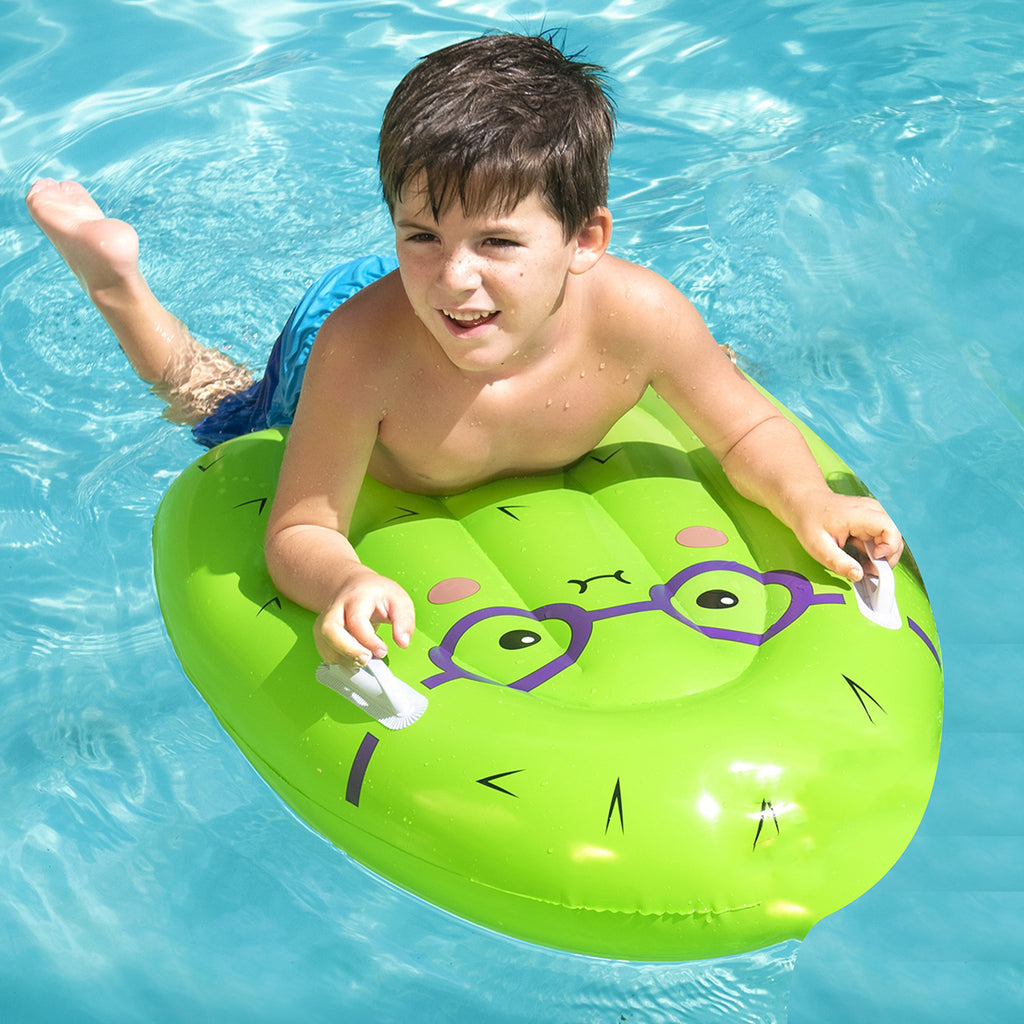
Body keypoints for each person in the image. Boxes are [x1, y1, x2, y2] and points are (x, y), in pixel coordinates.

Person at [26, 32, 903, 672]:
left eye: (498, 240)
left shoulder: (639, 314)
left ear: (586, 237)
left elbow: (747, 430)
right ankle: (117, 284)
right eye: (420, 232)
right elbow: (299, 525)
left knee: (719, 364)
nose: (455, 278)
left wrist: (806, 498)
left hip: (510, 313)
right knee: (222, 412)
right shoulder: (362, 356)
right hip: (370, 318)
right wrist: (341, 582)